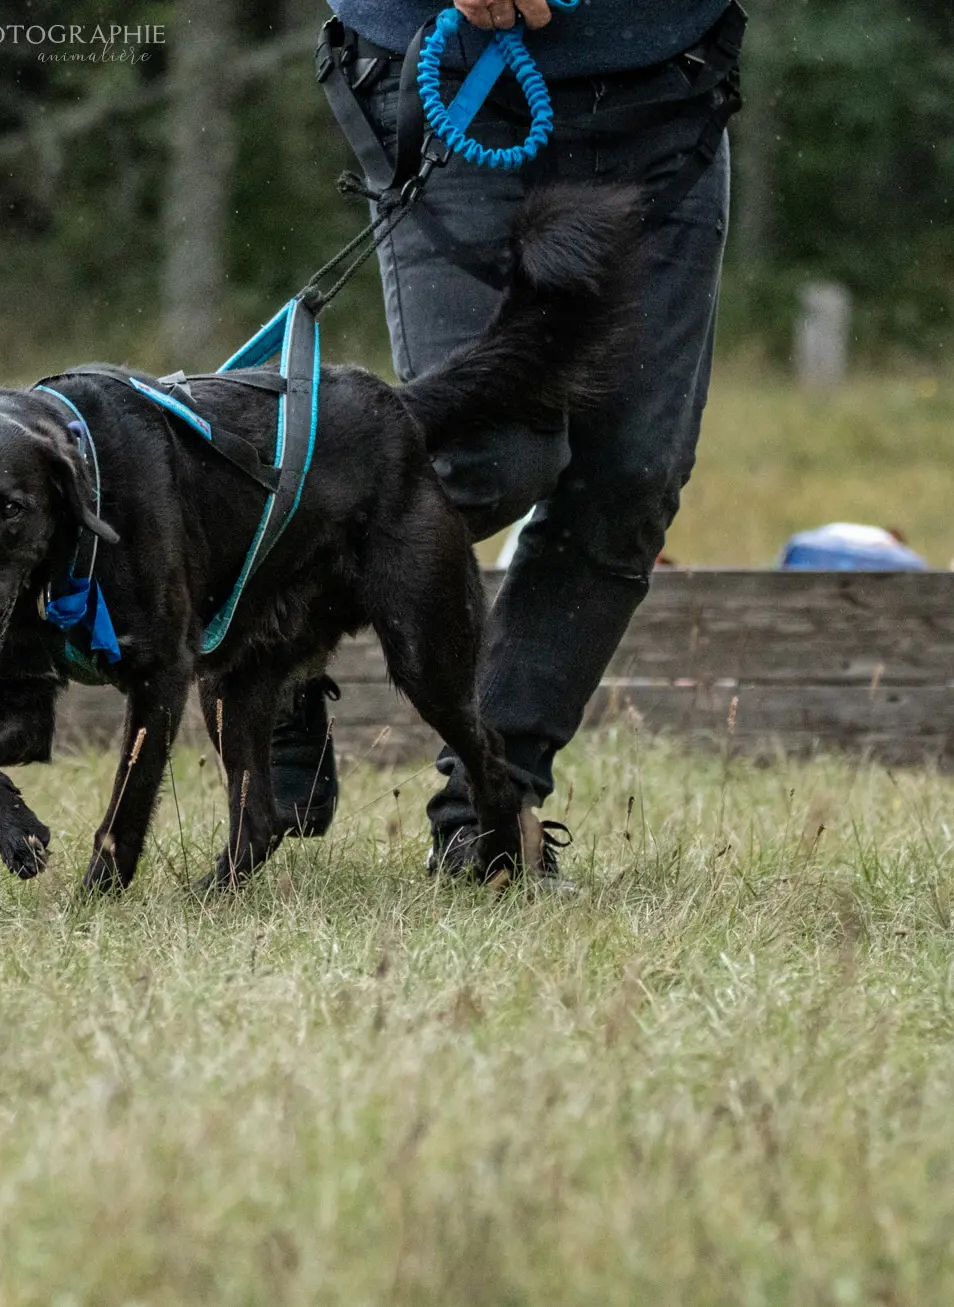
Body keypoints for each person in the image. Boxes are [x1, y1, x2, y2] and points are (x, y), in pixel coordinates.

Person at [270, 0, 745, 880]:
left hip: (667, 91)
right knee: (490, 460)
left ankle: (490, 815)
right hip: (453, 71)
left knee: (630, 478)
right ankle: (270, 636)